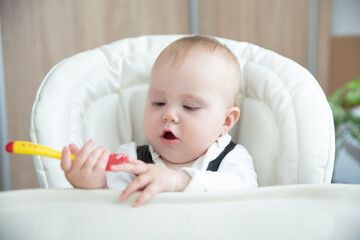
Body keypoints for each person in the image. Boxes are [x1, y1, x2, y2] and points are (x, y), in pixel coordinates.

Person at [61, 35, 258, 207]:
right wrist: (94, 187)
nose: (169, 114)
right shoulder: (130, 160)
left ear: (225, 121)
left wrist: (180, 181)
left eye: (189, 107)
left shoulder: (231, 159)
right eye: (158, 103)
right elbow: (111, 215)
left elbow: (246, 194)